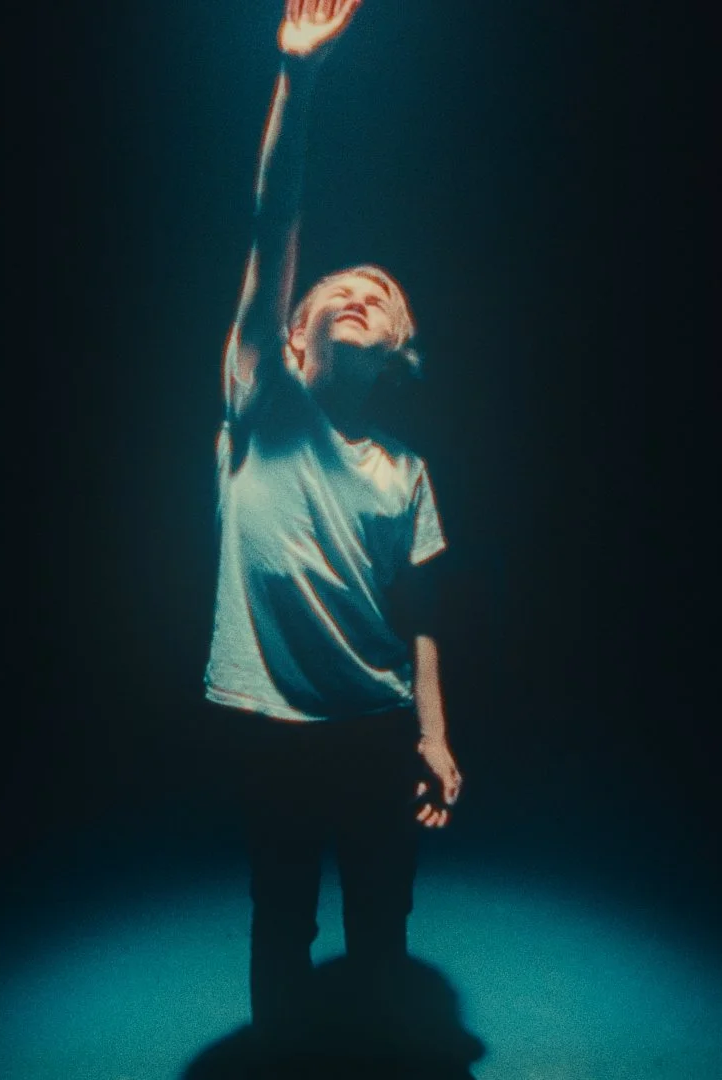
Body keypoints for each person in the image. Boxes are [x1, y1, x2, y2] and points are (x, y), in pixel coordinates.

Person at [202, 0, 465, 1044]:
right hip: (272, 734)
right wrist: (297, 78)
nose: (358, 293)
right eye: (339, 290)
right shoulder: (264, 401)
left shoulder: (405, 469)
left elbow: (422, 609)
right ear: (296, 334)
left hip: (378, 725)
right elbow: (274, 223)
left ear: (401, 350)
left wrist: (435, 734)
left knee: (382, 929)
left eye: (380, 294)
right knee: (281, 919)